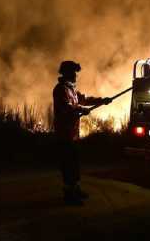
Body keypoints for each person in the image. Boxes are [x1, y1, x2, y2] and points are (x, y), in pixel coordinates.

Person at [53, 61, 112, 206]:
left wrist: (102, 100)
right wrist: (80, 109)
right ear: (66, 73)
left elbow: (84, 99)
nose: (75, 76)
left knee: (75, 163)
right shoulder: (60, 89)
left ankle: (76, 189)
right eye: (73, 73)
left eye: (75, 73)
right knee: (68, 165)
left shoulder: (72, 89)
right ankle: (69, 194)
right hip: (64, 134)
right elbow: (66, 107)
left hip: (73, 134)